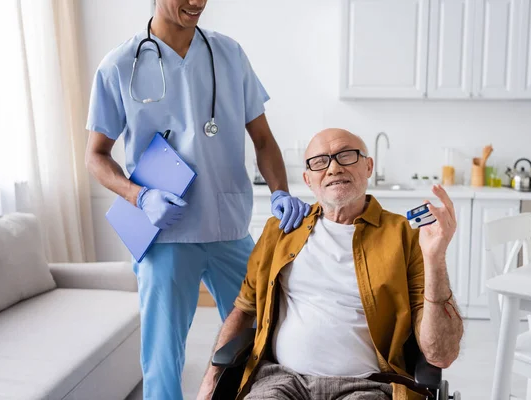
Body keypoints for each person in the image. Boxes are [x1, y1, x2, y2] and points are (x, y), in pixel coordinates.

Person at [84, 1, 309, 398]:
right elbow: (95, 156)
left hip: (229, 227)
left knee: (265, 338)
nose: (197, 2)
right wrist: (140, 196)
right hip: (164, 236)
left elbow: (263, 139)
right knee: (162, 359)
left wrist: (280, 192)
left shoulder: (229, 53)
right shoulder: (120, 64)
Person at [197, 128, 464, 400]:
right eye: (320, 161)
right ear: (308, 179)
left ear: (369, 166)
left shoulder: (405, 236)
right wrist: (210, 380)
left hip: (367, 386)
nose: (334, 168)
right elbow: (243, 309)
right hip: (279, 381)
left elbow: (441, 354)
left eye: (346, 156)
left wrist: (435, 259)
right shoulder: (280, 231)